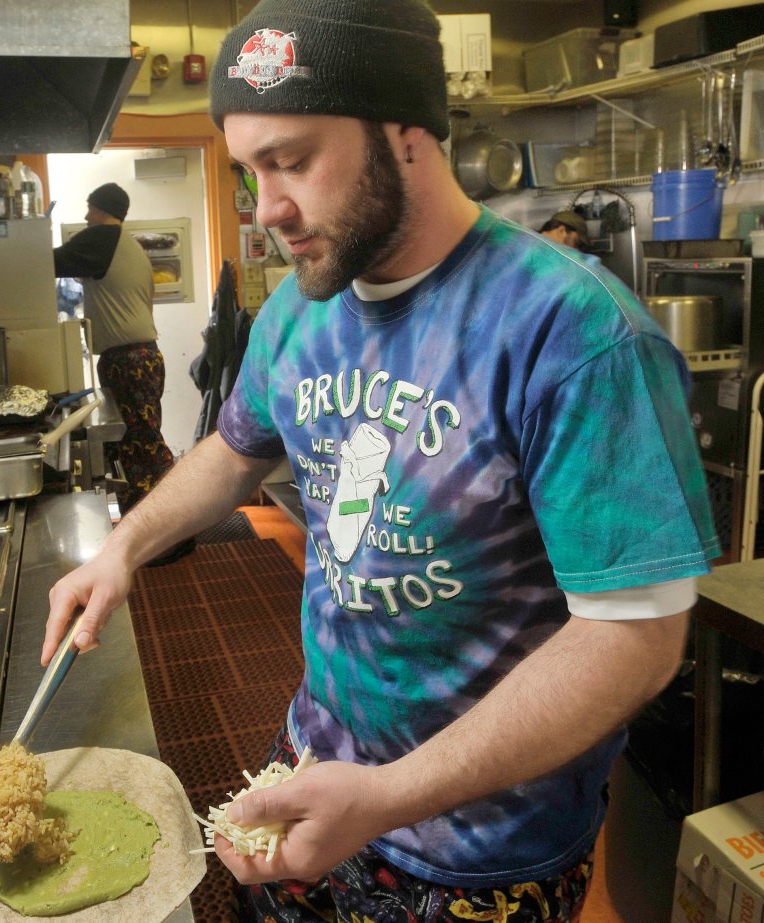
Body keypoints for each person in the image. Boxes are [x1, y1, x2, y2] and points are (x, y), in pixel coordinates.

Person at [44, 1, 719, 919]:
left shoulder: (572, 332)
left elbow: (635, 640)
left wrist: (390, 795)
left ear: (407, 135)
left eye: (292, 160)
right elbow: (234, 450)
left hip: (476, 847)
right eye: (251, 170)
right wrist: (122, 547)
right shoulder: (300, 308)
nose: (268, 207)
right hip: (310, 771)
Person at [53, 183, 192, 562]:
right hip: (142, 357)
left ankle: (165, 537)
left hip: (128, 360)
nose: (85, 216)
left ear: (102, 210)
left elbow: (46, 263)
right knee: (143, 442)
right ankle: (167, 533)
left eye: (89, 208)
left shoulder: (104, 237)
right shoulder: (127, 245)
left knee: (141, 446)